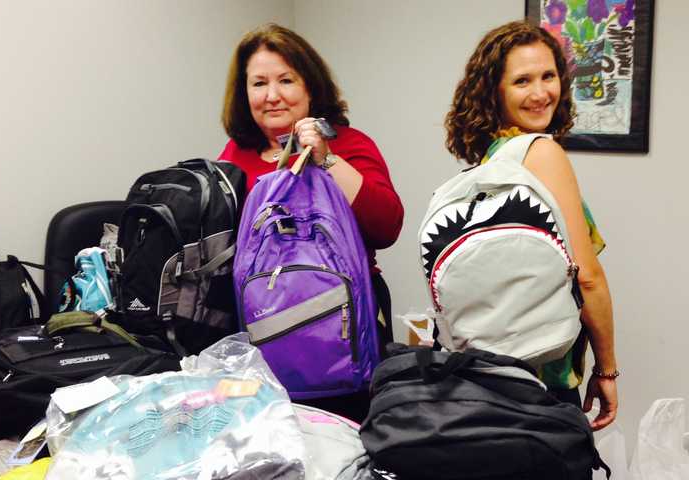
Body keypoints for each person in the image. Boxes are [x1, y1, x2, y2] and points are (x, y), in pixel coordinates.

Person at [219, 23, 404, 421]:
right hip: (261, 323)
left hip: (344, 323)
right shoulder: (235, 156)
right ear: (244, 92)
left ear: (310, 87)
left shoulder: (351, 145)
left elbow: (387, 225)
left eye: (286, 80)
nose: (272, 96)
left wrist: (326, 158)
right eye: (258, 83)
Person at [442, 21, 617, 431]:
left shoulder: (493, 161)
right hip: (544, 377)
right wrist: (607, 370)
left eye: (548, 76)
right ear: (495, 91)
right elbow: (586, 276)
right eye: (522, 80)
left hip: (492, 373)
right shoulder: (541, 152)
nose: (541, 93)